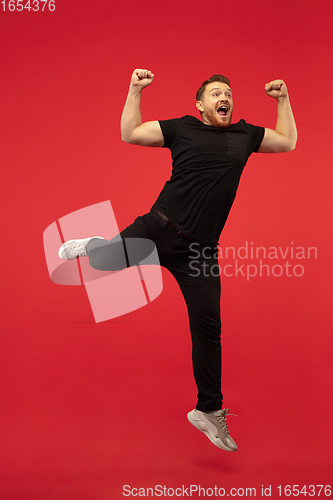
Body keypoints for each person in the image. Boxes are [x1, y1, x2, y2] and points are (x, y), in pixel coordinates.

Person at [58, 69, 297, 452]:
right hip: (160, 228)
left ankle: (208, 410)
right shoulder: (183, 128)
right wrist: (135, 89)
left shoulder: (245, 135)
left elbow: (286, 142)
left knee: (208, 329)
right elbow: (130, 132)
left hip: (200, 251)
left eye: (229, 94)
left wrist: (282, 100)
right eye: (217, 93)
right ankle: (95, 246)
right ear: (200, 105)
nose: (225, 97)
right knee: (103, 262)